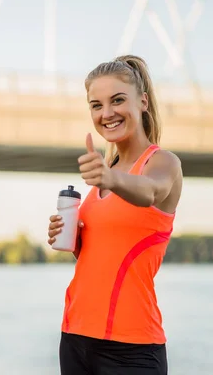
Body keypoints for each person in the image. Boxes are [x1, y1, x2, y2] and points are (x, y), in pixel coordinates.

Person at [47, 55, 183, 375]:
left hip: (131, 348)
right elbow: (103, 258)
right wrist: (72, 239)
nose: (106, 113)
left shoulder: (162, 163)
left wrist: (111, 180)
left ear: (143, 101)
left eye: (117, 100)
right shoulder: (104, 173)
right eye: (96, 105)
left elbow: (150, 191)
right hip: (75, 336)